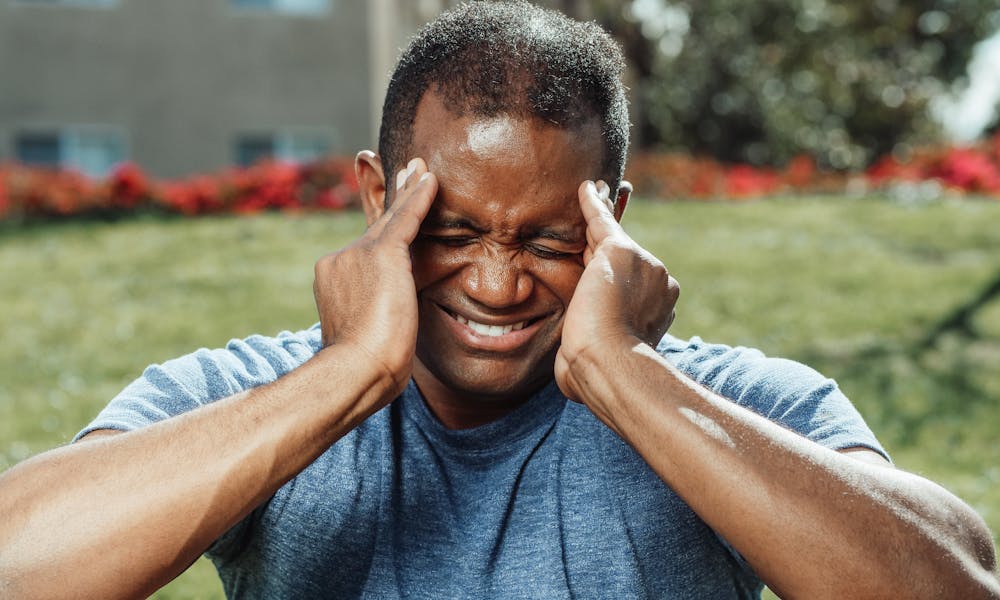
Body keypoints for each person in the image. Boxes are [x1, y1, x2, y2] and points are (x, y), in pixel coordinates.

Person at [1, 2, 998, 598]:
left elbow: (954, 586)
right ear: (376, 196)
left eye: (550, 240)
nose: (496, 282)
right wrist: (345, 376)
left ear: (614, 218)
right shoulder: (249, 391)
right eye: (452, 231)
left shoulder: (740, 405)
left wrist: (628, 379)